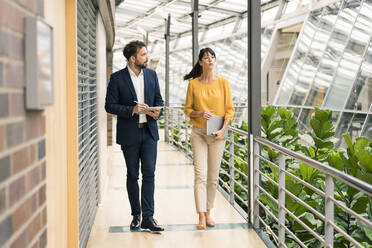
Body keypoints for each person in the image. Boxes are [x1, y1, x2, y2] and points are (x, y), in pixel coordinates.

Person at [105, 40, 164, 233]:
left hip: (149, 133)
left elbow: (159, 101)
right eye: (143, 54)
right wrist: (132, 109)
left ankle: (148, 217)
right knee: (132, 175)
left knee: (150, 174)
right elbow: (110, 106)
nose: (147, 58)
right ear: (133, 58)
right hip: (129, 134)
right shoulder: (117, 78)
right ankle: (136, 216)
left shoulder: (152, 75)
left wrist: (157, 112)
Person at [183, 47, 234, 230]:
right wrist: (200, 113)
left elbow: (229, 110)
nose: (211, 60)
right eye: (206, 57)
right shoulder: (193, 84)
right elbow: (188, 110)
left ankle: (209, 211)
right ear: (200, 62)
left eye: (213, 57)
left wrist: (223, 130)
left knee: (213, 178)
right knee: (200, 176)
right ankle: (201, 216)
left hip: (218, 134)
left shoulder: (223, 83)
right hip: (198, 134)